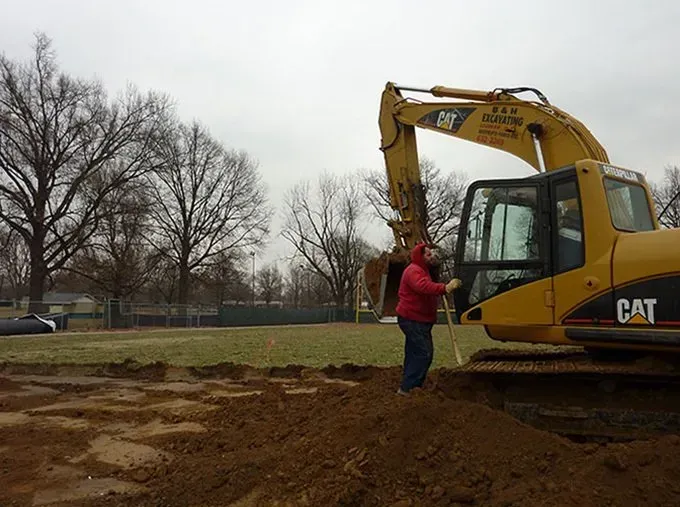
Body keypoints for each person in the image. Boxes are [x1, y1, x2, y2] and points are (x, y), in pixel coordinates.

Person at [395, 242, 461, 395]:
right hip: (412, 320)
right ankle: (408, 389)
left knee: (413, 354)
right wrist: (444, 288)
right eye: (428, 254)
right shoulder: (413, 271)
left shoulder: (424, 271)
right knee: (424, 353)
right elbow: (423, 286)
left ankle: (410, 387)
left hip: (419, 320)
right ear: (420, 256)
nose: (432, 257)